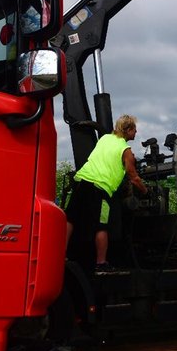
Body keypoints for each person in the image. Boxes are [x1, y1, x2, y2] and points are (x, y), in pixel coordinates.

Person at [65, 114, 147, 271]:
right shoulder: (126, 150)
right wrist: (145, 191)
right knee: (102, 226)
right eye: (134, 130)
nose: (136, 133)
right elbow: (134, 177)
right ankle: (101, 263)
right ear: (128, 130)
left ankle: (60, 255)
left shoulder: (105, 139)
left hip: (81, 180)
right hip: (100, 188)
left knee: (71, 219)